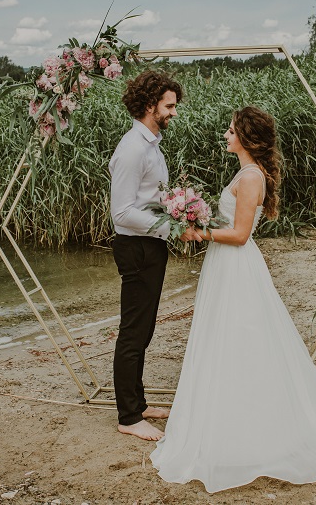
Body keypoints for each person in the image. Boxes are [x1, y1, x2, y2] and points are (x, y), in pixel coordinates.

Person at [149, 106, 316, 492]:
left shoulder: (250, 177)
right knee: (228, 337)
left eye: (231, 130)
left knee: (240, 338)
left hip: (235, 263)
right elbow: (231, 226)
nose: (226, 134)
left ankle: (248, 422)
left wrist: (200, 234)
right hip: (225, 265)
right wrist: (200, 222)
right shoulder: (245, 173)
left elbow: (242, 234)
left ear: (246, 138)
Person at [109, 70, 201, 441]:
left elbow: (150, 199)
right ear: (150, 106)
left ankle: (139, 402)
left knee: (144, 329)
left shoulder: (151, 145)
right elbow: (122, 212)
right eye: (169, 106)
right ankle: (129, 417)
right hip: (137, 247)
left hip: (150, 245)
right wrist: (172, 228)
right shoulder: (132, 149)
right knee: (133, 332)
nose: (174, 112)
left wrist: (182, 209)